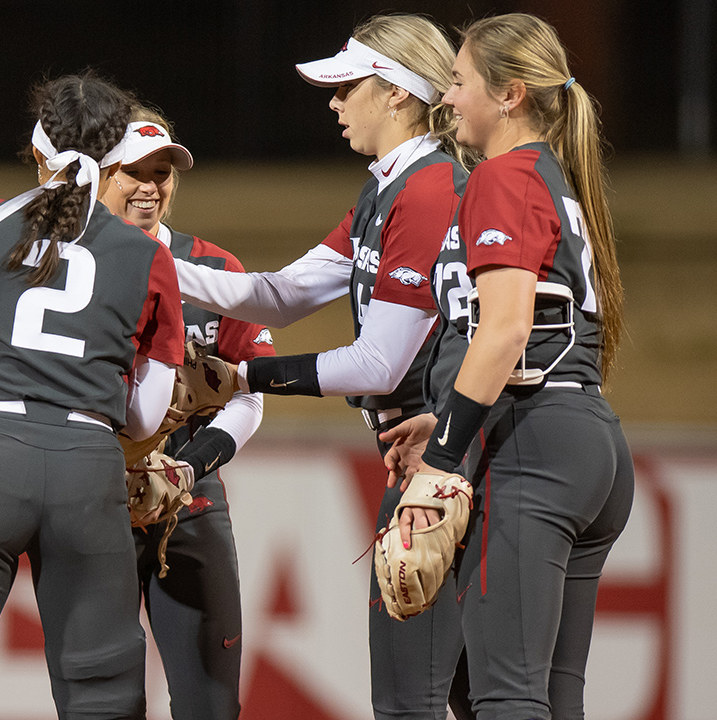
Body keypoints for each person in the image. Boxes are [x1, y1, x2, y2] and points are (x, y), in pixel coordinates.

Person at [172, 14, 475, 720]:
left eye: (347, 88)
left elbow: (376, 362)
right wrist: (148, 253)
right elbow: (280, 295)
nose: (335, 104)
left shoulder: (429, 188)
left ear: (397, 93)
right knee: (469, 696)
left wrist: (242, 379)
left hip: (444, 467)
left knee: (413, 700)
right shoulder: (389, 187)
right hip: (428, 461)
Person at [0, 73, 186, 720]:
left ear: (37, 146)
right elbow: (147, 413)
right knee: (102, 704)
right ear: (113, 155)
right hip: (86, 461)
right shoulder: (145, 255)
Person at [381, 13, 635, 720]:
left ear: (511, 94)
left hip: (536, 447)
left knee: (505, 699)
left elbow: (506, 329)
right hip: (584, 438)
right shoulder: (551, 175)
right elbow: (537, 336)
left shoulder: (501, 174)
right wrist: (455, 412)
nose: (449, 98)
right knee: (540, 694)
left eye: (460, 82)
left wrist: (441, 456)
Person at [99, 106, 274, 719]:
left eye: (164, 169)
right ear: (97, 169)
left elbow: (249, 393)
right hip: (93, 512)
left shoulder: (215, 267)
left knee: (211, 706)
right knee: (103, 705)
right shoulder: (63, 265)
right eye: (133, 170)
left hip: (191, 509)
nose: (151, 185)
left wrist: (188, 469)